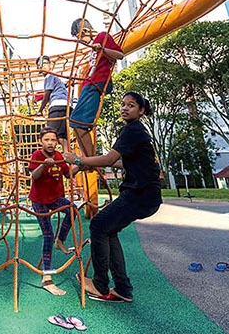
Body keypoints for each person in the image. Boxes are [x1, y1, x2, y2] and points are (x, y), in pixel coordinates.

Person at [64, 92, 162, 303]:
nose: (125, 108)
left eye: (131, 105)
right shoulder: (137, 130)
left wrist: (79, 159)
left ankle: (100, 285)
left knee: (99, 225)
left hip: (140, 194)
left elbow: (109, 159)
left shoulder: (132, 129)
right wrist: (88, 164)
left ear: (141, 110)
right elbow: (122, 162)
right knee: (108, 230)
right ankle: (123, 288)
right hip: (146, 195)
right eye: (123, 104)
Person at [29, 127, 81, 296]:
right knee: (47, 235)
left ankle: (60, 241)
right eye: (47, 140)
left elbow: (68, 174)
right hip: (39, 200)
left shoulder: (59, 156)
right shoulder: (37, 155)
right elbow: (34, 176)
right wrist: (44, 165)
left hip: (55, 198)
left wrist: (81, 165)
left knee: (72, 210)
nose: (50, 143)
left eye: (53, 140)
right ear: (41, 141)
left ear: (57, 142)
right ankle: (47, 279)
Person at [69, 19, 124, 157]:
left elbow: (120, 55)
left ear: (85, 31)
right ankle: (88, 159)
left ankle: (90, 160)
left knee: (78, 121)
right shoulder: (93, 45)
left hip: (96, 83)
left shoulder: (102, 36)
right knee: (74, 122)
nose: (80, 41)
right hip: (90, 83)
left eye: (80, 36)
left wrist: (102, 49)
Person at [36, 55, 71, 149]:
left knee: (48, 133)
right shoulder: (56, 78)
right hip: (66, 106)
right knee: (62, 136)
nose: (42, 66)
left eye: (44, 63)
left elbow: (47, 94)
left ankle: (48, 155)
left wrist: (40, 110)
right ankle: (66, 153)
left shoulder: (49, 76)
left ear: (50, 65)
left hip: (57, 105)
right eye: (39, 65)